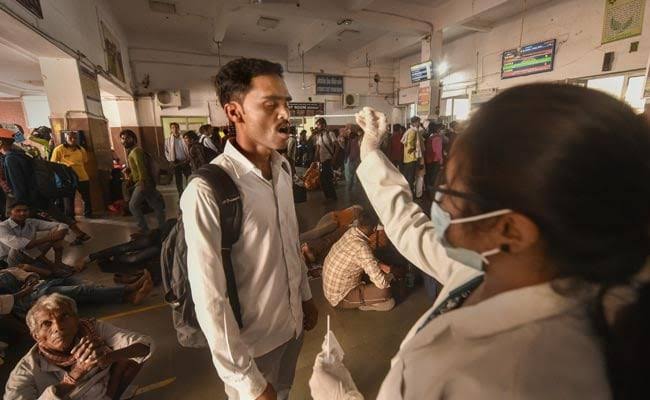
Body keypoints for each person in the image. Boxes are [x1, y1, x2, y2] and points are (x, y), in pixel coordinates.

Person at [311, 86, 650, 399]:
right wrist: (371, 149)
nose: (439, 201)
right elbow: (409, 226)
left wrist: (340, 396)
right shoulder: (494, 267)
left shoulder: (498, 378)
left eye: (453, 189)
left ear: (511, 230)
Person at [181, 57, 318, 400]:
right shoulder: (208, 190)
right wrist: (247, 381)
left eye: (286, 103)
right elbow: (210, 297)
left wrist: (305, 297)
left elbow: (289, 243)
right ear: (234, 112)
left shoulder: (282, 169)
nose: (285, 114)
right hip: (253, 348)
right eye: (270, 104)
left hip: (292, 329)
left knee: (284, 392)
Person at [4, 293, 154, 400]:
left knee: (129, 360)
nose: (58, 327)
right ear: (36, 336)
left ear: (76, 320)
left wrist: (106, 358)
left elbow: (145, 346)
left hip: (104, 390)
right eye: (46, 323)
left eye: (64, 317)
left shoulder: (92, 328)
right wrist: (75, 375)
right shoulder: (25, 372)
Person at [0, 128, 91, 245]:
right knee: (57, 214)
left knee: (19, 220)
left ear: (2, 142)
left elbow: (18, 182)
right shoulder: (22, 154)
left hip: (28, 196)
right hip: (39, 191)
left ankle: (46, 242)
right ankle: (79, 233)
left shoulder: (10, 159)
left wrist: (19, 201)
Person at [0, 265, 153, 315]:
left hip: (40, 285)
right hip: (31, 299)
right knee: (82, 290)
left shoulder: (3, 271)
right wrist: (26, 290)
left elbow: (22, 273)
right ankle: (130, 288)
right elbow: (6, 302)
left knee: (86, 288)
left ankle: (129, 297)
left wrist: (30, 279)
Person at [322, 210, 394, 311]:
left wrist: (381, 265)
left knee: (375, 260)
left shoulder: (351, 232)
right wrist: (390, 276)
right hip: (340, 298)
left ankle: (363, 296)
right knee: (387, 298)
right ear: (374, 229)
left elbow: (362, 257)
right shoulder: (362, 248)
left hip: (332, 291)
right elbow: (381, 284)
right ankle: (362, 303)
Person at [0, 202, 74, 273]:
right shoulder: (2, 226)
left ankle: (58, 263)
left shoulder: (31, 222)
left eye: (25, 210)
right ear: (9, 213)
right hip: (9, 261)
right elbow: (23, 245)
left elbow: (63, 225)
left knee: (56, 229)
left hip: (31, 254)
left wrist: (60, 232)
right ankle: (52, 266)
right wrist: (51, 237)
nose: (22, 213)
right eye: (18, 211)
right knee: (20, 246)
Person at [119, 129, 166, 234]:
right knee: (156, 205)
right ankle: (163, 227)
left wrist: (142, 182)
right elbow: (137, 169)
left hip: (143, 183)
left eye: (127, 138)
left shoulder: (136, 151)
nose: (124, 140)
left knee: (133, 206)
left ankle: (144, 229)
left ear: (133, 139)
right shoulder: (133, 152)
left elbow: (141, 168)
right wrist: (130, 174)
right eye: (122, 138)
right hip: (146, 182)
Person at [51, 130, 93, 218]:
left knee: (86, 197)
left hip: (82, 177)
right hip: (68, 179)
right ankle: (70, 217)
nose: (73, 140)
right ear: (65, 139)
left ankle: (88, 214)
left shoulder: (81, 149)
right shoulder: (59, 149)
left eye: (75, 138)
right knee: (69, 199)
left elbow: (85, 161)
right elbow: (53, 164)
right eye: (70, 138)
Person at [314, 117, 341, 201]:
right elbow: (318, 148)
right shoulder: (318, 136)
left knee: (326, 179)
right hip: (321, 160)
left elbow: (337, 146)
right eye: (317, 125)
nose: (318, 126)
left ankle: (332, 197)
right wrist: (315, 158)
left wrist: (334, 158)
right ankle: (330, 197)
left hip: (328, 159)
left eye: (319, 125)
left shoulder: (330, 134)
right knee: (323, 180)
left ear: (324, 125)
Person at [164, 122, 191, 195]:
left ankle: (189, 194)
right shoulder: (168, 140)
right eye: (173, 128)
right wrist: (170, 161)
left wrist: (189, 159)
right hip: (176, 162)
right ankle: (181, 195)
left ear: (178, 128)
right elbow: (166, 152)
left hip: (185, 161)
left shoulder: (183, 138)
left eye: (176, 127)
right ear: (171, 129)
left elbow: (188, 148)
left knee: (189, 178)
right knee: (179, 181)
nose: (175, 129)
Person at [401, 117, 424, 195]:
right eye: (418, 122)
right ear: (415, 122)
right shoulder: (413, 131)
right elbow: (410, 144)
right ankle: (409, 194)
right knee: (410, 178)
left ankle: (407, 192)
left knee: (408, 176)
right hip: (412, 157)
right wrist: (414, 148)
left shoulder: (409, 130)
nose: (419, 124)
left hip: (407, 158)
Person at [423, 123, 444, 195]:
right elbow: (438, 151)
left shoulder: (429, 137)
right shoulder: (438, 138)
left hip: (428, 158)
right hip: (435, 159)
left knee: (428, 175)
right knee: (434, 177)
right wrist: (441, 160)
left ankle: (428, 191)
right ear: (437, 129)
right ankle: (432, 192)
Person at [343, 124, 361, 190]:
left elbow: (347, 150)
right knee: (356, 173)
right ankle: (355, 187)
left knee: (351, 174)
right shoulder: (359, 140)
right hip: (357, 159)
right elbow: (348, 150)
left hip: (353, 159)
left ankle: (350, 187)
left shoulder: (351, 141)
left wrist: (345, 158)